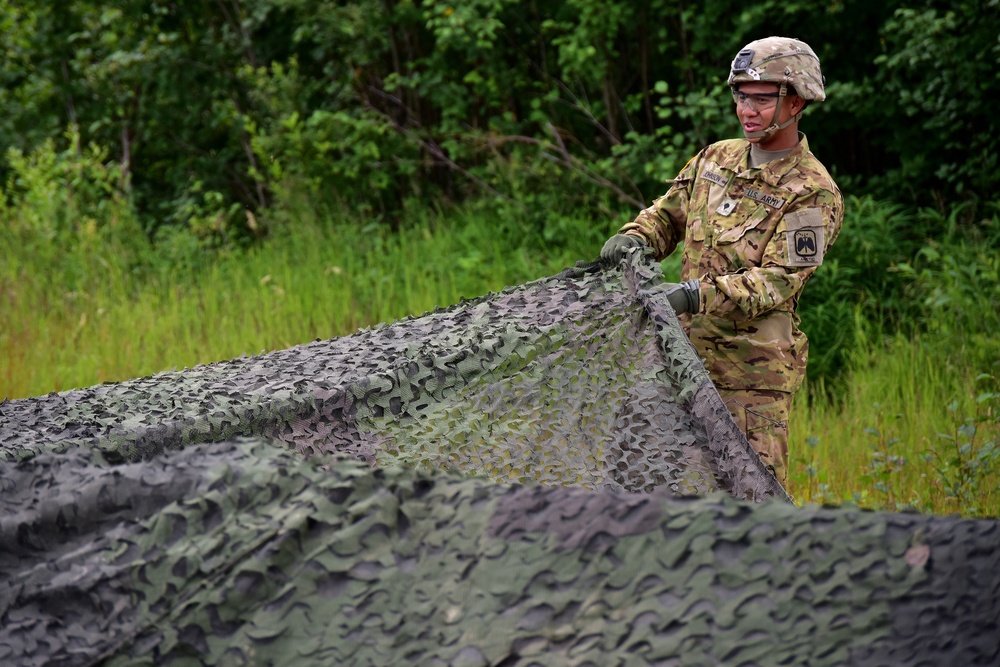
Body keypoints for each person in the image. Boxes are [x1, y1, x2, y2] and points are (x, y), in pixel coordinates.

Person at [600, 36, 844, 486]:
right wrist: (633, 239)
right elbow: (666, 217)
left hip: (749, 380)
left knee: (744, 509)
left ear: (797, 102)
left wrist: (693, 295)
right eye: (740, 96)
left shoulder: (812, 190)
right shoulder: (716, 157)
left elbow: (777, 280)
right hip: (677, 359)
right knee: (637, 483)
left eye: (762, 98)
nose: (747, 110)